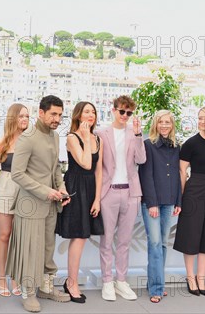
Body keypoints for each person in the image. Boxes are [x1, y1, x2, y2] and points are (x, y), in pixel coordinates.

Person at [7, 95, 71, 312]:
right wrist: (46, 191)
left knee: (47, 247)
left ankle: (45, 287)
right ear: (41, 113)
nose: (57, 118)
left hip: (51, 203)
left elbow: (54, 169)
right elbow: (17, 174)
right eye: (53, 114)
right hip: (30, 204)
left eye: (60, 115)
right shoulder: (27, 138)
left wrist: (61, 188)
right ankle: (28, 292)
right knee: (30, 249)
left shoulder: (54, 136)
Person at [96, 95, 145, 302]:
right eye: (122, 111)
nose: (125, 116)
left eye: (129, 112)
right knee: (107, 240)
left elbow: (141, 159)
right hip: (108, 192)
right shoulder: (101, 133)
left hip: (131, 192)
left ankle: (121, 281)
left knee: (124, 240)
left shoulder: (134, 134)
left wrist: (139, 134)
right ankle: (107, 282)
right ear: (113, 110)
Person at [55, 101, 104, 303]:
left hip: (91, 187)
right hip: (75, 186)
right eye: (86, 111)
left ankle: (71, 280)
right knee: (79, 236)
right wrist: (84, 137)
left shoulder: (98, 139)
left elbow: (98, 170)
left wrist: (98, 199)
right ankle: (71, 282)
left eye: (93, 111)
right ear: (78, 115)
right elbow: (85, 163)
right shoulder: (72, 137)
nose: (90, 115)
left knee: (83, 235)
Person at [173, 106, 205, 297]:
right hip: (194, 189)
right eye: (201, 118)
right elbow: (182, 172)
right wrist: (182, 196)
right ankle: (190, 276)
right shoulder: (190, 143)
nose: (203, 122)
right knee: (191, 234)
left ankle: (202, 277)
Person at [138, 110, 182, 303]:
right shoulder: (148, 145)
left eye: (168, 122)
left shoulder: (176, 147)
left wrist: (179, 201)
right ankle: (157, 288)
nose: (164, 125)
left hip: (170, 200)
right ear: (155, 124)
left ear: (172, 125)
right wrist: (152, 203)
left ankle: (156, 282)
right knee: (155, 244)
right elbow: (145, 176)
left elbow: (178, 175)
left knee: (163, 244)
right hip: (153, 202)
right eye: (161, 122)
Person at [0, 103, 29, 297]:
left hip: (25, 191)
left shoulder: (31, 141)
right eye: (21, 116)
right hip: (5, 188)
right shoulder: (1, 143)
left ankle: (16, 277)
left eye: (27, 117)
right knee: (5, 234)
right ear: (13, 118)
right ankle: (2, 277)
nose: (25, 120)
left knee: (20, 238)